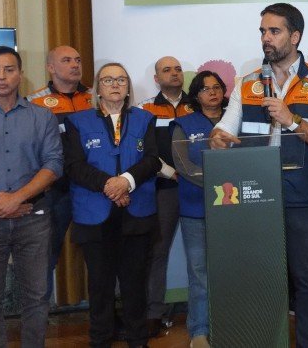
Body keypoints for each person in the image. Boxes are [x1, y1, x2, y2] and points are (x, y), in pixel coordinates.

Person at [211, 2, 308, 347]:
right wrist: (218, 137)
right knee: (260, 280)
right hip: (255, 198)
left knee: (306, 282)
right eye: (262, 32)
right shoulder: (247, 83)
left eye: (274, 31)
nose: (266, 38)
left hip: (303, 199)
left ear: (295, 36)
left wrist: (292, 121)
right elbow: (226, 128)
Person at [0, 46, 63, 348]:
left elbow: (53, 165)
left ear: (20, 74)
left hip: (33, 219)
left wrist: (16, 198)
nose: (1, 76)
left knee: (36, 297)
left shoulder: (42, 116)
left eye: (9, 69)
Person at [64, 63, 160, 348]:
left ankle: (138, 341)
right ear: (98, 88)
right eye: (108, 80)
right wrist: (111, 185)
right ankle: (100, 340)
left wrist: (127, 181)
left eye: (121, 79)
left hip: (136, 211)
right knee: (100, 286)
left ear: (128, 87)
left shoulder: (145, 119)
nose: (115, 84)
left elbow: (152, 160)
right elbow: (73, 166)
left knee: (134, 285)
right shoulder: (77, 121)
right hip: (94, 213)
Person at [27, 45, 94, 304]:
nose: (75, 64)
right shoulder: (34, 102)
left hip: (92, 189)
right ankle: (38, 323)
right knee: (45, 255)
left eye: (78, 59)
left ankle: (107, 318)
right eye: (67, 60)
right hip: (54, 191)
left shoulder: (95, 97)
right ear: (51, 67)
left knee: (102, 255)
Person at [170, 71, 230, 348]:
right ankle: (199, 332)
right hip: (196, 209)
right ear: (196, 95)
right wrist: (220, 184)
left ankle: (232, 325)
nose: (213, 92)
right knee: (199, 274)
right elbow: (184, 167)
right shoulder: (182, 124)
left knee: (232, 269)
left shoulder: (235, 120)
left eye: (217, 87)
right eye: (206, 89)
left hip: (234, 210)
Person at [138, 56, 193, 336]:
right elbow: (146, 152)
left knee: (204, 251)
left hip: (198, 188)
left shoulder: (196, 104)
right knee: (158, 252)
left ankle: (205, 311)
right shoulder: (145, 109)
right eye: (167, 70)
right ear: (156, 79)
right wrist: (172, 173)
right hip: (165, 188)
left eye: (178, 69)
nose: (174, 73)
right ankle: (153, 314)